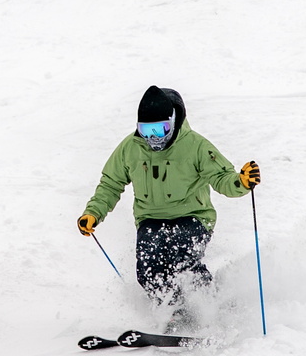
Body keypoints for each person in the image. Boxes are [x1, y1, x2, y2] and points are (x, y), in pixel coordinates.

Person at [77, 85, 260, 324]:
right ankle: (173, 312)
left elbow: (222, 178)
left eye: (160, 129)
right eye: (146, 130)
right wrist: (93, 213)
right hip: (150, 219)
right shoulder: (130, 148)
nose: (153, 137)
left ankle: (209, 306)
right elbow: (110, 184)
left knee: (182, 257)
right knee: (148, 268)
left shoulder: (195, 146)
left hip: (194, 216)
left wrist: (241, 182)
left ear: (172, 122)